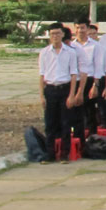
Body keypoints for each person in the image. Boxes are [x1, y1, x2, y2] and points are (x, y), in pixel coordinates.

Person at [37, 25, 79, 164]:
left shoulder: (70, 52)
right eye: (52, 34)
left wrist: (72, 95)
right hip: (50, 89)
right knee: (50, 123)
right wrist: (42, 95)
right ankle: (50, 153)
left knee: (65, 122)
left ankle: (64, 153)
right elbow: (41, 75)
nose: (55, 36)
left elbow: (74, 74)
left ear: (62, 35)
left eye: (58, 33)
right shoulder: (44, 52)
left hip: (65, 88)